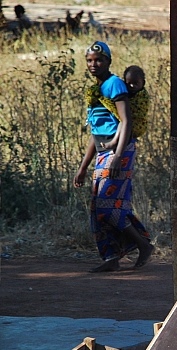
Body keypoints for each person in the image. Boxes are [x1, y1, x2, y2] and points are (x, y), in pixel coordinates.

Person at [74, 41, 154, 273]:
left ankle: (143, 245)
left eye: (98, 60)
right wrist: (82, 166)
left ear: (108, 61)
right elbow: (96, 133)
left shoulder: (114, 84)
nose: (93, 64)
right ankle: (111, 257)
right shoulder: (96, 89)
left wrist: (118, 155)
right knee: (99, 207)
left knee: (109, 207)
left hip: (119, 151)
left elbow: (125, 121)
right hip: (103, 152)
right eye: (89, 60)